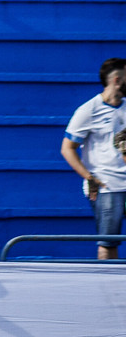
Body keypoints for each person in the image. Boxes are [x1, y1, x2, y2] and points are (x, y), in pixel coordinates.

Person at [62, 57, 126, 260]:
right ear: (117, 80)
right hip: (108, 186)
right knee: (108, 242)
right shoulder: (88, 110)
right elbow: (67, 148)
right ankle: (110, 289)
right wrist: (89, 178)